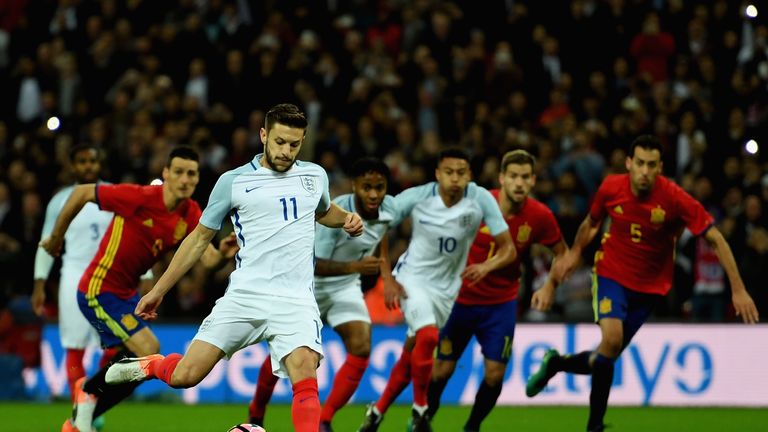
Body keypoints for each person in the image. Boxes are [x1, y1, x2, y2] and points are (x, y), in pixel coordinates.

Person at [104, 104, 364, 432]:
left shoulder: (314, 176)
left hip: (295, 299)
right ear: (264, 135)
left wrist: (347, 220)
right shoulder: (234, 182)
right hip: (245, 295)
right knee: (186, 375)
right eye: (280, 142)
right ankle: (153, 366)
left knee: (305, 368)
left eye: (294, 145)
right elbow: (198, 240)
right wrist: (158, 291)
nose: (286, 151)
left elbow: (323, 211)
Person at [525, 135, 759, 432]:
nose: (644, 171)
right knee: (610, 340)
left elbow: (715, 238)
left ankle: (556, 364)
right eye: (639, 164)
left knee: (605, 357)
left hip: (650, 288)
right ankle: (594, 426)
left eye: (651, 165)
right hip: (611, 273)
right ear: (628, 164)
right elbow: (592, 222)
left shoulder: (674, 198)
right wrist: (574, 252)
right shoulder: (611, 187)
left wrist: (738, 289)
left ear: (660, 167)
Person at [40, 146, 237, 432]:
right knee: (149, 351)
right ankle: (87, 400)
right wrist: (56, 237)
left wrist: (222, 254)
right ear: (166, 174)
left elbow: (206, 261)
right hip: (98, 288)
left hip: (127, 298)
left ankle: (82, 414)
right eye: (179, 172)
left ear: (197, 180)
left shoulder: (191, 213)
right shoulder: (141, 198)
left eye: (191, 174)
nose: (185, 179)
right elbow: (83, 192)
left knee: (136, 367)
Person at [358, 148, 516, 432]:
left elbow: (508, 249)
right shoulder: (418, 197)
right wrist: (387, 278)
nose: (455, 179)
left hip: (447, 290)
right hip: (412, 279)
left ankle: (377, 411)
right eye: (449, 172)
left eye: (461, 173)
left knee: (412, 350)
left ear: (469, 175)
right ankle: (421, 410)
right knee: (428, 336)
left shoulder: (479, 199)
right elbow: (378, 224)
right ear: (438, 174)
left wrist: (486, 266)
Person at [248, 157, 400, 432]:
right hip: (307, 286)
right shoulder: (336, 214)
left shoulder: (388, 208)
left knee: (362, 346)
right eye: (367, 187)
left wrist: (386, 275)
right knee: (280, 356)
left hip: (345, 287)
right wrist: (356, 266)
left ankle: (325, 419)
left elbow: (382, 232)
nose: (374, 194)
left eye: (380, 187)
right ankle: (257, 410)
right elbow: (313, 262)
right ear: (355, 186)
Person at [426, 149, 568, 432]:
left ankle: (472, 426)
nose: (518, 183)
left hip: (500, 304)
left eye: (525, 177)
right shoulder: (475, 203)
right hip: (460, 300)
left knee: (495, 374)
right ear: (502, 178)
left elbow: (562, 253)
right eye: (513, 176)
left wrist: (549, 285)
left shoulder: (539, 216)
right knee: (442, 369)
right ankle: (424, 418)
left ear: (533, 181)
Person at [32, 144, 118, 402]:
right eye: (81, 161)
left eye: (92, 160)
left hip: (109, 278)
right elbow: (47, 242)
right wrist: (39, 283)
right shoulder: (60, 200)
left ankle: (97, 398)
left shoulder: (114, 194)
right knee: (74, 345)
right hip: (74, 277)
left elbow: (132, 236)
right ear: (73, 166)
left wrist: (145, 275)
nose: (87, 166)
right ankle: (79, 406)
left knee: (115, 346)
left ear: (99, 163)